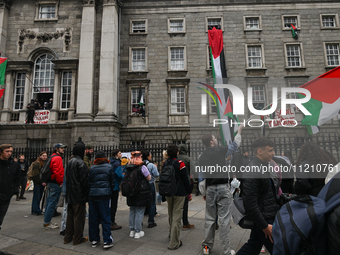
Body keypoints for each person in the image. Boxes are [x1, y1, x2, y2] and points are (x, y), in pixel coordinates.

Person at [199, 125, 243, 255]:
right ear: (211, 142)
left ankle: (206, 247)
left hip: (210, 188)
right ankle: (226, 250)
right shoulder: (220, 150)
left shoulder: (202, 156)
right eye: (214, 138)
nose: (217, 139)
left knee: (209, 219)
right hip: (223, 188)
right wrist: (239, 131)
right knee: (224, 220)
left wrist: (204, 192)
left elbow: (201, 176)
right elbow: (235, 145)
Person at [236, 137, 281, 255]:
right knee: (278, 249)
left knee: (253, 246)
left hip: (267, 213)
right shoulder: (253, 171)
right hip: (265, 217)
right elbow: (250, 203)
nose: (273, 153)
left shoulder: (263, 166)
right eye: (270, 150)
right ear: (260, 151)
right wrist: (264, 226)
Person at [163, 144, 191, 250]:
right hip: (179, 192)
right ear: (177, 152)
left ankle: (171, 234)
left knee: (171, 214)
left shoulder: (165, 163)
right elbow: (185, 179)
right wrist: (189, 191)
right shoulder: (180, 163)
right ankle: (174, 242)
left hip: (169, 192)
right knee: (177, 217)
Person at [64, 138, 89, 245]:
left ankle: (67, 238)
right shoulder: (81, 163)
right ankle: (78, 239)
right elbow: (84, 181)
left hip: (70, 194)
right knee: (79, 218)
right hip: (78, 195)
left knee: (70, 217)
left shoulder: (70, 162)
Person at [88, 150, 115, 249]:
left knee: (93, 218)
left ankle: (94, 239)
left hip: (93, 195)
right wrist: (109, 191)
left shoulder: (92, 168)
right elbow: (112, 182)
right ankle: (107, 240)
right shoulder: (109, 167)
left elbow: (89, 182)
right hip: (104, 195)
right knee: (105, 218)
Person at [126, 151, 152, 239]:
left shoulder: (128, 166)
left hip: (131, 191)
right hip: (140, 191)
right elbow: (149, 178)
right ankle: (138, 231)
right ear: (140, 156)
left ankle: (132, 230)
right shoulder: (142, 167)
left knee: (132, 210)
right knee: (139, 211)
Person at [43, 143, 66, 230]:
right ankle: (47, 223)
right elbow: (58, 171)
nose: (63, 149)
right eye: (61, 148)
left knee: (49, 202)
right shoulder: (57, 158)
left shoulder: (52, 156)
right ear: (57, 149)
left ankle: (47, 221)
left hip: (50, 182)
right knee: (52, 203)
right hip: (55, 183)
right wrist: (60, 182)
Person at [0, 144, 21, 230]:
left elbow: (17, 178)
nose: (9, 153)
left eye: (11, 151)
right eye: (7, 151)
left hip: (6, 196)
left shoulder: (14, 164)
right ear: (1, 152)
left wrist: (14, 190)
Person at [177, 144, 195, 231]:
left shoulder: (175, 158)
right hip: (185, 183)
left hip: (175, 184)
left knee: (176, 205)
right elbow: (194, 169)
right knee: (185, 204)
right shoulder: (188, 159)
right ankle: (185, 223)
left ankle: (175, 223)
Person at [141, 150, 159, 228]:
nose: (151, 156)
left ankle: (139, 220)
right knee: (152, 203)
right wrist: (156, 168)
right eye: (150, 155)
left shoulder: (139, 164)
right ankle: (151, 221)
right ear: (148, 156)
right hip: (150, 185)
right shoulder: (151, 165)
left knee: (142, 203)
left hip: (141, 186)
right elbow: (156, 174)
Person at [109, 149, 124, 231]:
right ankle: (112, 222)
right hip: (115, 186)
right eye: (119, 153)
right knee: (114, 205)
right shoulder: (117, 163)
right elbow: (119, 175)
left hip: (109, 185)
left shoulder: (110, 161)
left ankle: (107, 220)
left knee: (109, 204)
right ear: (116, 155)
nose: (121, 154)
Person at [31, 151, 48, 215]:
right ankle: (36, 210)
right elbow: (36, 174)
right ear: (40, 156)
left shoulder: (44, 163)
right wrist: (41, 182)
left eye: (45, 156)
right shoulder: (37, 163)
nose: (44, 157)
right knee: (37, 197)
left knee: (39, 196)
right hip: (38, 183)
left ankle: (36, 209)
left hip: (41, 182)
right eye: (43, 155)